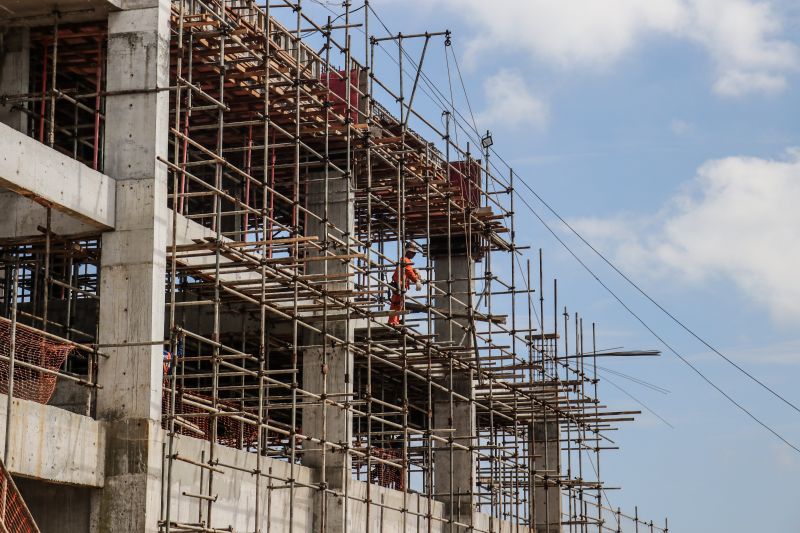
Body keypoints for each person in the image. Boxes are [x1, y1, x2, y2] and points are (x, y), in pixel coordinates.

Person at [388, 241, 423, 326]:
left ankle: (395, 321)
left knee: (398, 305)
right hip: (398, 285)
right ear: (407, 251)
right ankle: (393, 322)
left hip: (400, 285)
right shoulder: (405, 260)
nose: (414, 255)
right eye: (412, 253)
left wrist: (415, 272)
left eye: (414, 253)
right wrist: (416, 280)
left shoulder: (407, 261)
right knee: (396, 304)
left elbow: (409, 270)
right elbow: (408, 272)